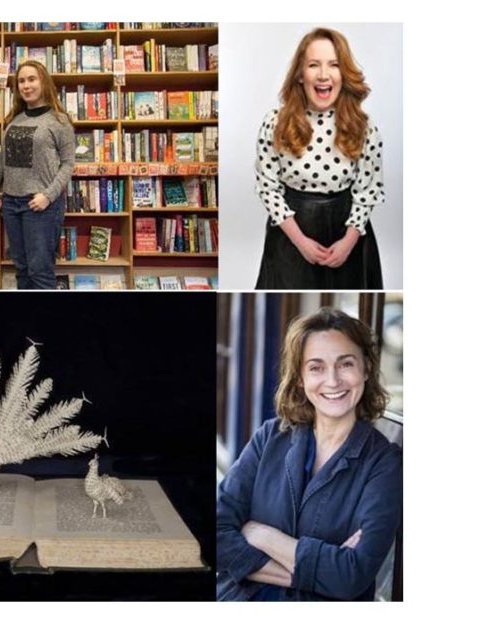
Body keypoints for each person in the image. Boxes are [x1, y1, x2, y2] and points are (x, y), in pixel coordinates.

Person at [216, 308, 401, 601]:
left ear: (366, 368)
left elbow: (351, 576)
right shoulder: (270, 437)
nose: (332, 380)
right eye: (316, 367)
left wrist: (262, 536)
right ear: (300, 377)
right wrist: (321, 571)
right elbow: (216, 532)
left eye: (345, 364)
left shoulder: (384, 463)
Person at [254, 28, 384, 289]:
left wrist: (348, 243)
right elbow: (268, 187)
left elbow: (368, 189)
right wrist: (301, 242)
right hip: (291, 232)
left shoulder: (363, 126)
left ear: (343, 75)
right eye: (314, 65)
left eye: (334, 65)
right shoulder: (275, 122)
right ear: (300, 75)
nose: (324, 74)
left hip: (347, 232)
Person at [0, 60, 75, 290]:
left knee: (40, 271)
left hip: (40, 205)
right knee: (22, 268)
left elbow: (68, 164)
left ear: (44, 81)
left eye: (32, 79)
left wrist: (48, 195)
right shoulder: (14, 119)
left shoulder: (59, 121)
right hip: (11, 203)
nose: (26, 85)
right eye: (21, 81)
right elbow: (5, 159)